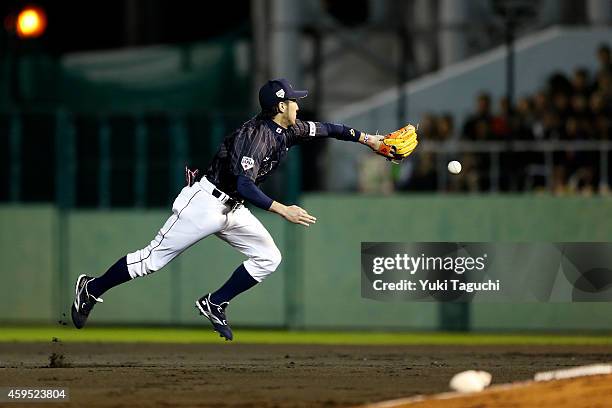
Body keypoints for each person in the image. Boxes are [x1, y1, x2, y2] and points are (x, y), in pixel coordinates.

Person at [71, 78, 418, 340]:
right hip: (206, 203)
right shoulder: (256, 136)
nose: (298, 105)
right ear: (280, 106)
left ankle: (215, 302)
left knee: (269, 257)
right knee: (151, 261)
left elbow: (329, 129)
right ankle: (91, 289)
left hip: (232, 208)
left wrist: (370, 140)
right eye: (293, 101)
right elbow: (244, 184)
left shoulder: (289, 129)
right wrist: (283, 209)